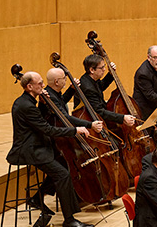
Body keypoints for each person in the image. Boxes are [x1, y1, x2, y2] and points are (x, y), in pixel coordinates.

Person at [7, 71, 98, 227]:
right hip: (29, 150)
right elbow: (48, 129)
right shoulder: (27, 106)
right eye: (40, 84)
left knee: (63, 164)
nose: (43, 86)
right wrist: (75, 130)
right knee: (62, 174)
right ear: (29, 86)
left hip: (37, 145)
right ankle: (69, 220)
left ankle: (37, 198)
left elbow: (40, 121)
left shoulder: (27, 101)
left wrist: (43, 105)